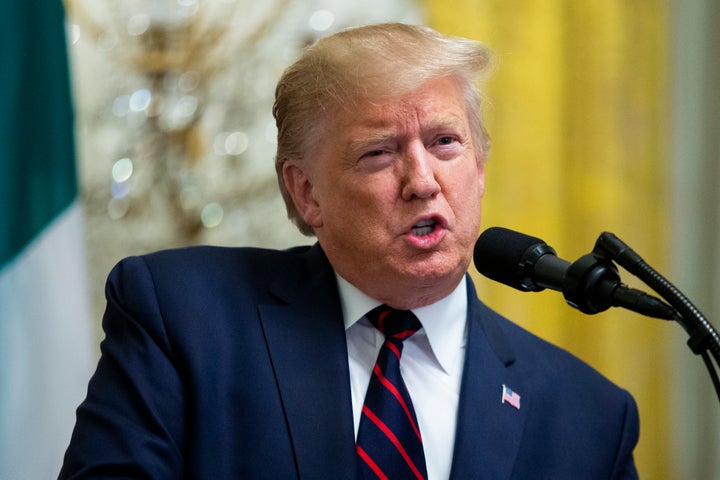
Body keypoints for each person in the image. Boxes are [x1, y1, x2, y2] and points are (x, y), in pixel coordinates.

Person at [59, 23, 639, 479]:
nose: (423, 180)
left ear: (480, 168)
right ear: (306, 191)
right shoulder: (183, 320)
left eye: (445, 143)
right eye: (380, 153)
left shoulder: (587, 416)